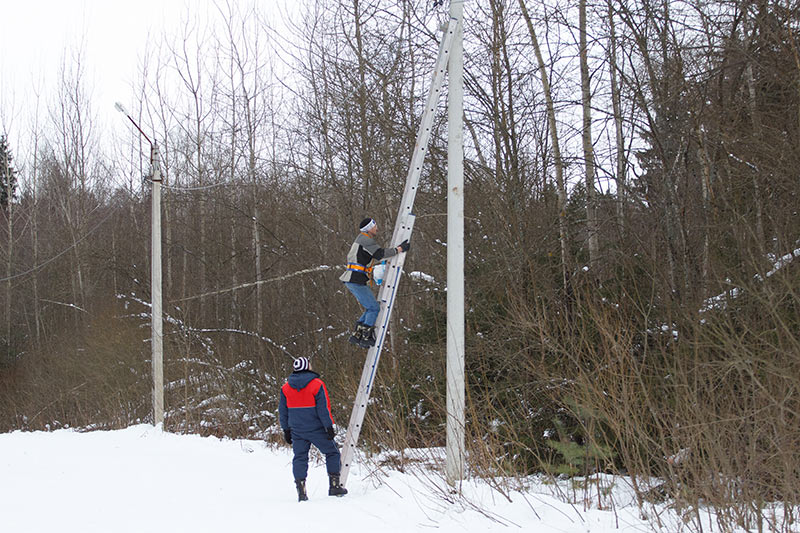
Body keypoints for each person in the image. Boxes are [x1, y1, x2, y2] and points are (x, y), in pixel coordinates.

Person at [279, 357, 348, 501]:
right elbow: (323, 408)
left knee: (300, 458)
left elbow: (283, 411)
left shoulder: (285, 388)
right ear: (307, 366)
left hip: (297, 430)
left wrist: (286, 430)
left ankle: (301, 492)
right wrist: (328, 426)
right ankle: (334, 485)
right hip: (316, 429)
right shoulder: (317, 384)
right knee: (332, 452)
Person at [339, 217, 409, 348]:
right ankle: (366, 336)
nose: (377, 228)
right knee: (374, 308)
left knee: (370, 307)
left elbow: (368, 258)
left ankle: (357, 335)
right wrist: (399, 249)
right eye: (375, 225)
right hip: (355, 279)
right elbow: (380, 254)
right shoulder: (365, 240)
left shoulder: (361, 239)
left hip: (353, 278)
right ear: (369, 228)